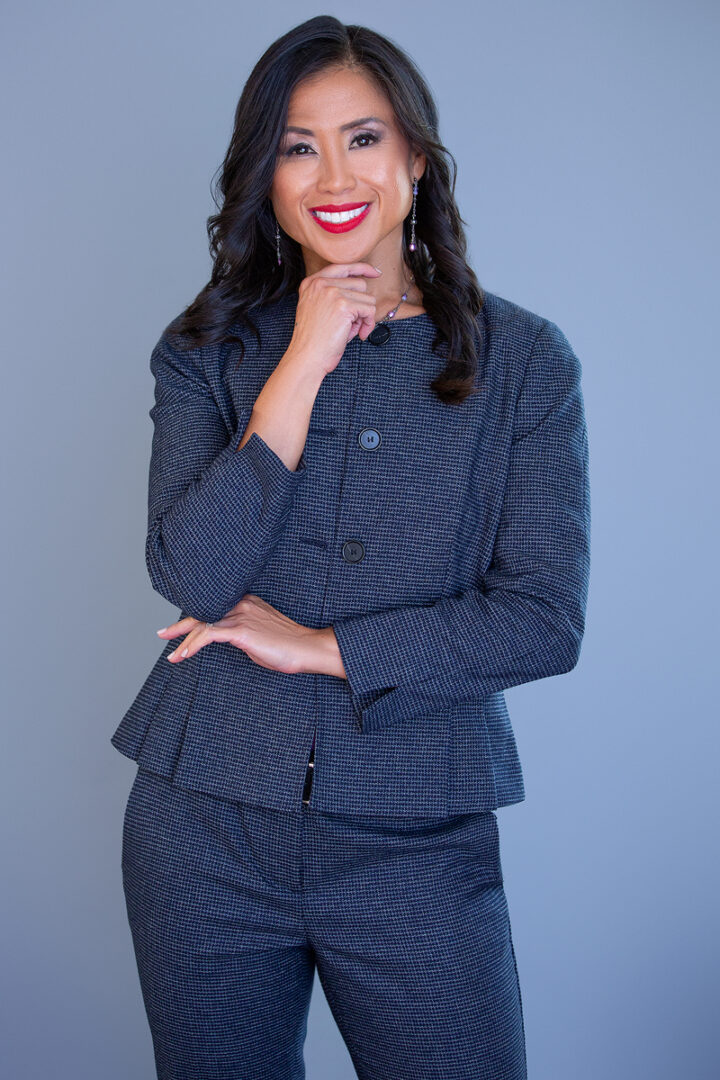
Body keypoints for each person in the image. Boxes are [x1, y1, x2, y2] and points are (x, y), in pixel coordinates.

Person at [112, 14, 590, 1080]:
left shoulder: (525, 363)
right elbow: (191, 572)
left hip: (420, 827)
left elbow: (544, 621)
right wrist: (300, 365)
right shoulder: (205, 352)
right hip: (203, 825)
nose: (334, 172)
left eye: (364, 138)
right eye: (297, 145)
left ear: (416, 161)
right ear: (266, 178)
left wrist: (324, 645)